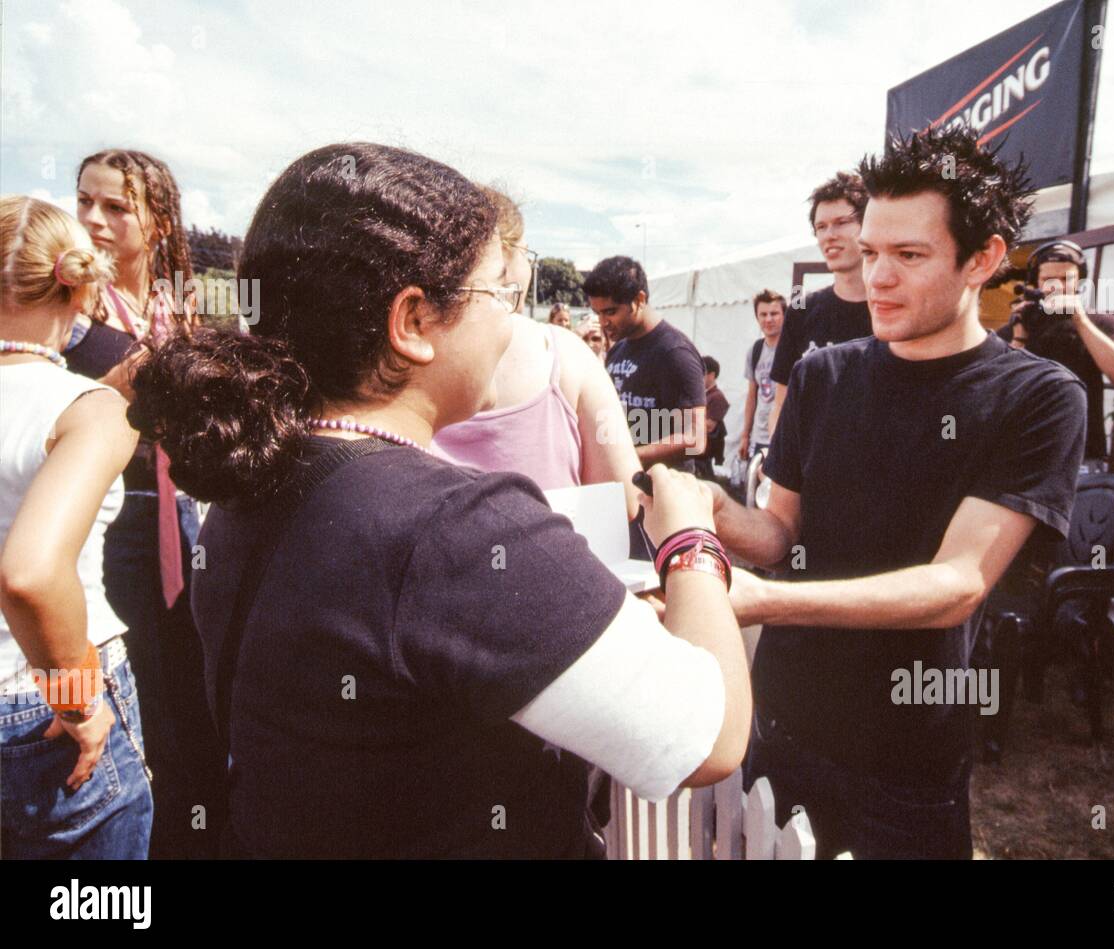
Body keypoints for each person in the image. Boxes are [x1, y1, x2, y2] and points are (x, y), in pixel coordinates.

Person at [128, 143, 751, 858]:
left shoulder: (256, 480)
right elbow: (712, 735)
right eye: (498, 296)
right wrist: (691, 542)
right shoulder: (452, 528)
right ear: (413, 322)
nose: (512, 324)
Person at [707, 127, 1086, 859]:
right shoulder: (823, 375)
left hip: (905, 751)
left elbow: (956, 583)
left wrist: (764, 600)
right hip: (783, 717)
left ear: (984, 259)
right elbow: (779, 532)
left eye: (909, 256)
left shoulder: (1037, 397)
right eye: (872, 251)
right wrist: (717, 514)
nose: (876, 277)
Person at [72, 148, 224, 858]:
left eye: (115, 206)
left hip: (183, 515)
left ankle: (200, 827)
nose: (94, 221)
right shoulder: (71, 304)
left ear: (159, 222)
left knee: (192, 684)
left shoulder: (177, 306)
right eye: (84, 203)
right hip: (109, 520)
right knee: (139, 691)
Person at [0, 195, 151, 858]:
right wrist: (78, 703)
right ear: (81, 286)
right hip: (43, 708)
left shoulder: (92, 405)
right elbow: (29, 574)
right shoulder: (87, 412)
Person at [432, 189, 640, 515]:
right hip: (551, 556)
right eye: (528, 256)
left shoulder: (412, 355)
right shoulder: (567, 352)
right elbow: (624, 495)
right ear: (508, 259)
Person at [996, 239, 1114, 459]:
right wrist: (1019, 336)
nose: (1058, 287)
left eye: (1066, 279)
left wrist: (1080, 319)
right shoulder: (1017, 326)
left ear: (1079, 281)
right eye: (1048, 279)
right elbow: (998, 390)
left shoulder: (1100, 324)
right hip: (1021, 452)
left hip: (1082, 453)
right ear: (1035, 282)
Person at [769, 171, 873, 434]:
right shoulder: (802, 311)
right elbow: (782, 403)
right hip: (809, 467)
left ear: (868, 225)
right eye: (821, 227)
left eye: (841, 223)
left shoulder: (895, 309)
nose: (829, 235)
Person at [588, 256, 708, 473]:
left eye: (611, 311)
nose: (604, 322)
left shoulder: (675, 353)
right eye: (598, 313)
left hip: (664, 492)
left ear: (639, 299)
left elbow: (694, 439)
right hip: (623, 486)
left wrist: (631, 456)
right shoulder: (617, 350)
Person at [739, 289, 785, 462]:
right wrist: (745, 435)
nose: (768, 319)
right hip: (760, 437)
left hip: (784, 436)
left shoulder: (792, 350)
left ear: (784, 315)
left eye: (774, 313)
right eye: (763, 314)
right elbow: (752, 396)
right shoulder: (755, 351)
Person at [701, 355, 730, 479]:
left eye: (702, 373)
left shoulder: (717, 397)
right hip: (698, 442)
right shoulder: (705, 395)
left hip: (706, 445)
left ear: (712, 375)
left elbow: (709, 426)